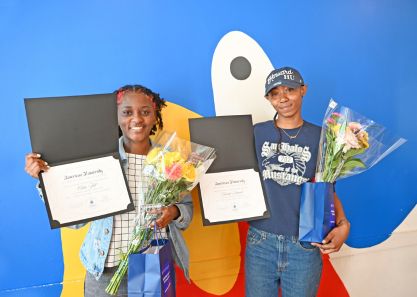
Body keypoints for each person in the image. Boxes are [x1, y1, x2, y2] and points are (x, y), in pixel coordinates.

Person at [24, 85, 193, 296]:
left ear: (155, 115)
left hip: (150, 265)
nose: (137, 119)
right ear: (116, 117)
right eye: (127, 112)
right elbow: (76, 220)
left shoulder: (169, 161)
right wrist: (44, 179)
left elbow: (186, 208)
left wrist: (174, 212)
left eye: (145, 112)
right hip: (104, 270)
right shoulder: (100, 158)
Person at [245, 67, 350, 297]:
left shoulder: (322, 137)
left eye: (290, 90)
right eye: (275, 93)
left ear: (303, 90)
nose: (283, 98)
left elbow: (327, 189)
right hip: (261, 241)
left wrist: (344, 224)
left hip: (304, 245)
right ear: (268, 99)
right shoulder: (256, 133)